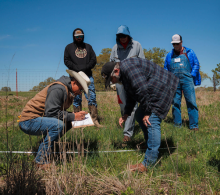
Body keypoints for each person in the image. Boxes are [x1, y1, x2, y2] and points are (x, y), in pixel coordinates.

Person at [101, 58, 179, 172]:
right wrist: (126, 113)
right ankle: (150, 143)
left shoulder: (128, 68)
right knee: (139, 115)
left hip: (162, 88)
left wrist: (148, 112)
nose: (112, 82)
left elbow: (142, 89)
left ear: (116, 71)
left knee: (151, 120)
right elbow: (131, 95)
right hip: (153, 90)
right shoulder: (124, 74)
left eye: (111, 79)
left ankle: (149, 163)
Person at [19, 70, 90, 170]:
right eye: (80, 89)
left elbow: (56, 113)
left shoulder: (67, 90)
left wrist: (74, 116)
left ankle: (44, 147)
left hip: (40, 119)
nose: (80, 93)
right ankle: (41, 161)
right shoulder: (59, 89)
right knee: (58, 125)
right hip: (28, 122)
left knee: (68, 122)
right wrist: (73, 116)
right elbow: (51, 113)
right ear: (74, 83)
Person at [110, 25, 145, 143]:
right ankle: (126, 123)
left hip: (132, 81)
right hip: (120, 83)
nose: (122, 38)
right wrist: (113, 81)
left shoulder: (137, 45)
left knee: (133, 106)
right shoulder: (115, 48)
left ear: (128, 36)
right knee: (123, 106)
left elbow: (142, 62)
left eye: (124, 36)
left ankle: (127, 134)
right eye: (120, 36)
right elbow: (111, 65)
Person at [64, 28, 102, 127]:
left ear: (83, 36)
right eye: (77, 36)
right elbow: (66, 60)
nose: (79, 38)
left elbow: (93, 60)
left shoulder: (88, 47)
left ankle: (95, 121)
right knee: (76, 99)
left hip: (88, 77)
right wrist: (76, 68)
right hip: (75, 77)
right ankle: (79, 121)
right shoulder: (68, 47)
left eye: (81, 36)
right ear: (73, 37)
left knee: (92, 97)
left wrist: (85, 67)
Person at [164, 34, 201, 130]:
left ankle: (194, 126)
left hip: (187, 79)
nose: (175, 46)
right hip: (174, 81)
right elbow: (166, 68)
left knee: (191, 102)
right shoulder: (169, 55)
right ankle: (177, 125)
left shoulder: (189, 52)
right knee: (175, 102)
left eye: (177, 43)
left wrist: (191, 75)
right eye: (173, 44)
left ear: (181, 42)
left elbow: (196, 64)